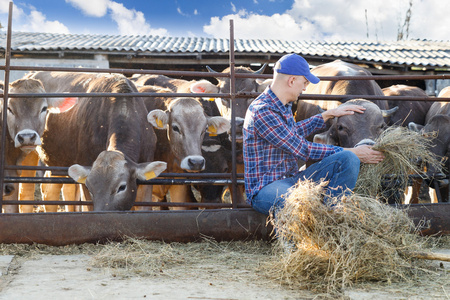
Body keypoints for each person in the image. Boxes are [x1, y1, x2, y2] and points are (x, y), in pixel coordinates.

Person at [243, 53, 385, 216]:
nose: (305, 88)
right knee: (297, 202)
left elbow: (291, 134)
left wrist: (328, 114)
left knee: (348, 160)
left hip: (293, 180)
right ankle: (290, 241)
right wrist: (355, 151)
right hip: (267, 188)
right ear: (291, 81)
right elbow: (301, 148)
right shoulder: (263, 111)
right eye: (304, 83)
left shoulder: (283, 105)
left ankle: (333, 218)